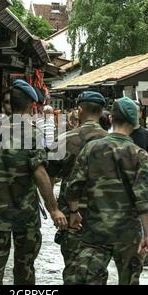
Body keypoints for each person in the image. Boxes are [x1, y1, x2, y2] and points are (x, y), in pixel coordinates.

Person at [0, 79, 67, 285]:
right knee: (24, 265)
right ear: (30, 105)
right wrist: (53, 209)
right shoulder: (32, 134)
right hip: (24, 213)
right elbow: (39, 173)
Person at [66, 97, 148, 285]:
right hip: (128, 233)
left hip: (96, 230)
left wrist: (74, 213)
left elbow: (74, 185)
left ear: (111, 119)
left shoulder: (91, 148)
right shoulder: (139, 155)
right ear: (134, 124)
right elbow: (143, 200)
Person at [46, 90, 108, 284]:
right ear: (101, 112)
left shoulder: (65, 140)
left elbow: (48, 176)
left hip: (71, 216)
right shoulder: (113, 143)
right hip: (103, 215)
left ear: (80, 110)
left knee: (72, 267)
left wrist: (53, 209)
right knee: (98, 268)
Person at [130, 103, 148, 267]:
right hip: (133, 181)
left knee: (137, 214)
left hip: (134, 182)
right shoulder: (144, 135)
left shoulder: (145, 136)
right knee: (137, 213)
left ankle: (142, 247)